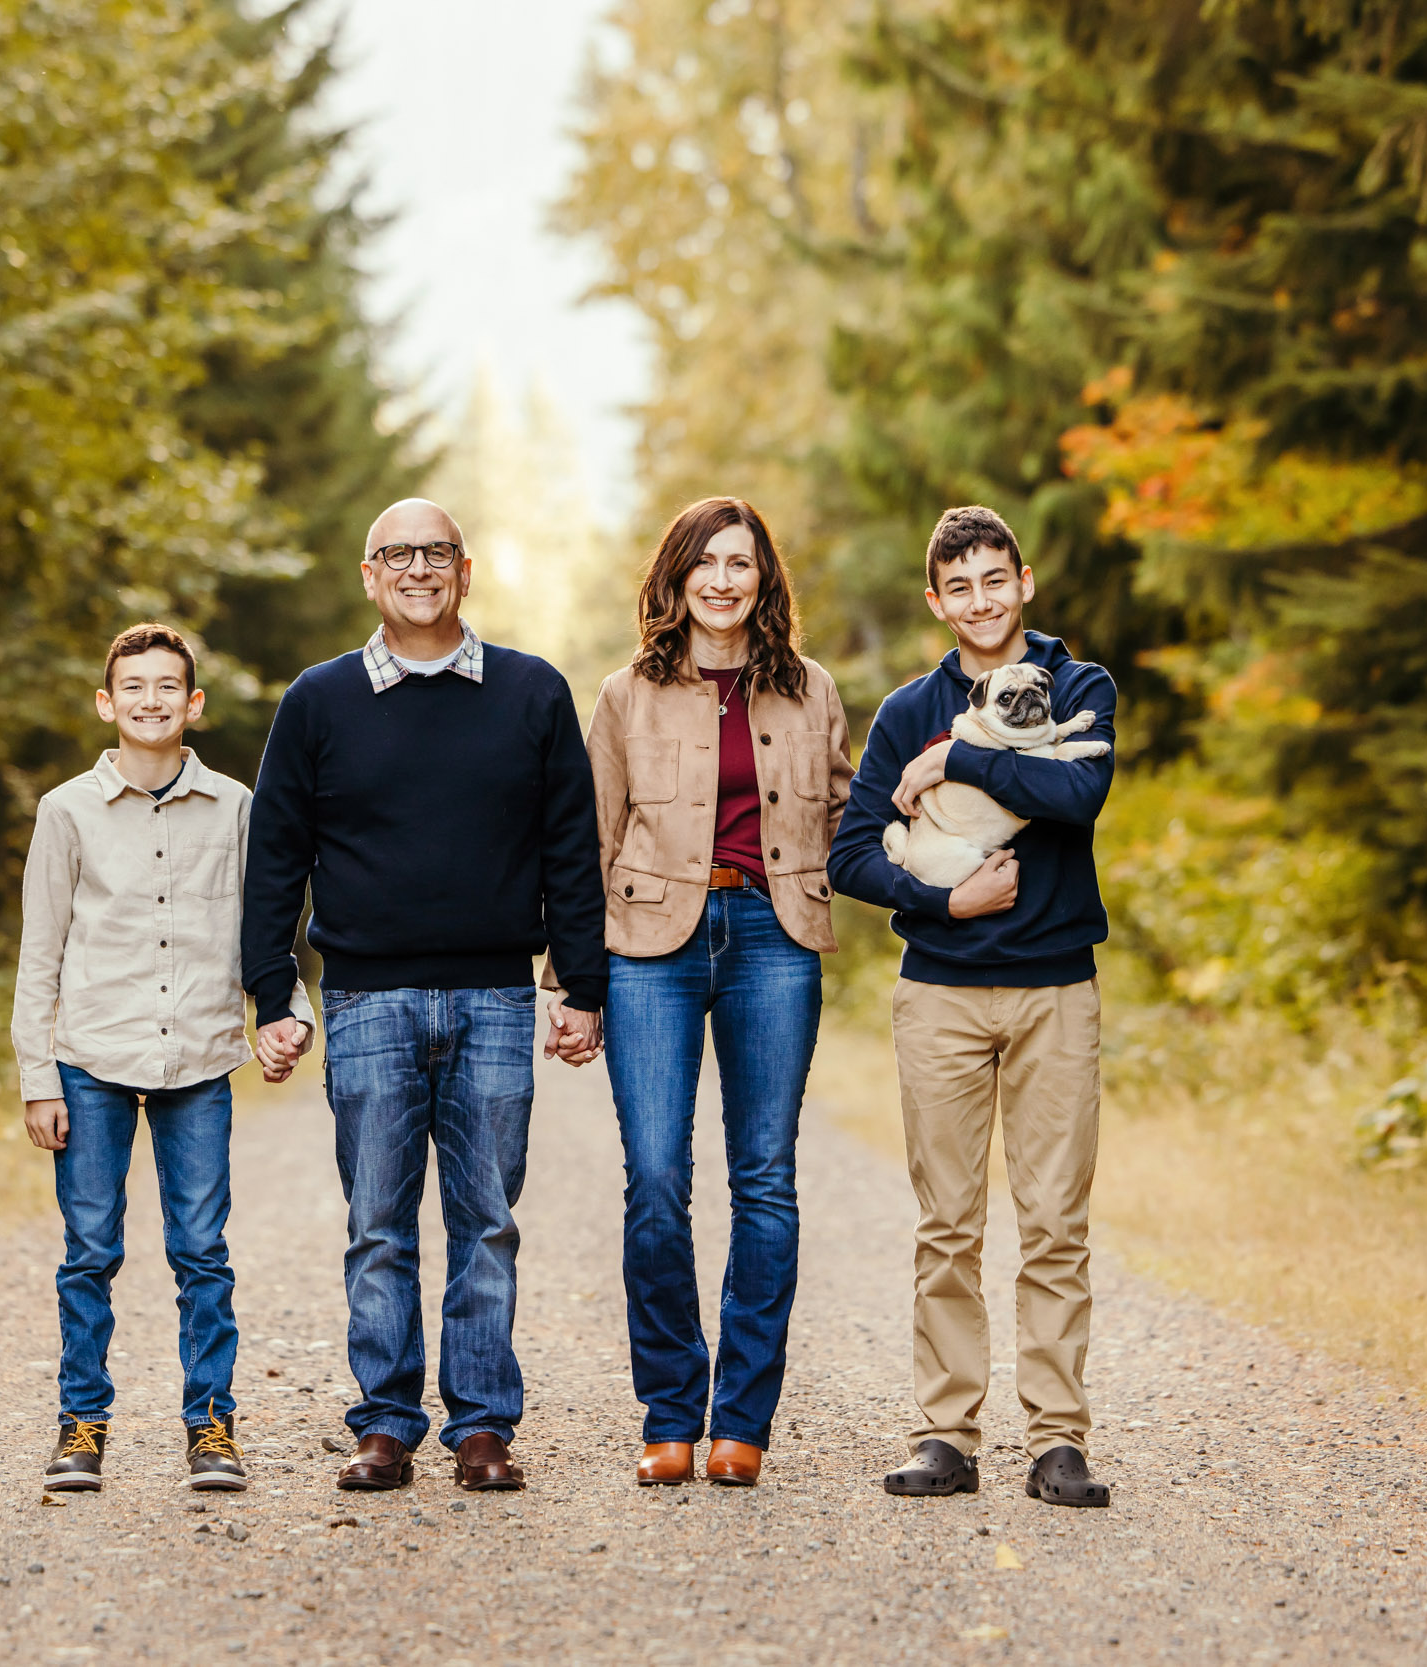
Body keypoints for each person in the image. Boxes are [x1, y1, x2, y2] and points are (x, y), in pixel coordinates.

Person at [242, 498, 607, 1494]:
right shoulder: (318, 700)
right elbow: (275, 858)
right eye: (395, 554)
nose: (416, 568)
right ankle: (386, 1421)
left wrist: (580, 982)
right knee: (377, 1222)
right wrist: (274, 992)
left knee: (486, 1219)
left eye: (435, 552)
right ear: (368, 575)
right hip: (366, 1000)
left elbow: (571, 847)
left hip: (495, 996)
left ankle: (481, 1423)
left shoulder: (531, 691)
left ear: (465, 570)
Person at [827, 506, 1118, 1510]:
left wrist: (957, 759)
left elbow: (1077, 797)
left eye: (996, 579)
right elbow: (851, 853)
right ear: (936, 601)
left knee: (1055, 1222)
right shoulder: (905, 708)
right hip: (940, 993)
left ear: (1023, 582)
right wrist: (943, 900)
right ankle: (946, 1433)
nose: (981, 599)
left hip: (1056, 989)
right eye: (961, 586)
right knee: (946, 1224)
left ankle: (1057, 1439)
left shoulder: (1078, 686)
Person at [571, 496, 852, 1489]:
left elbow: (850, 815)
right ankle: (668, 1411)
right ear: (677, 576)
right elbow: (590, 837)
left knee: (764, 1177)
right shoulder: (625, 694)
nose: (723, 580)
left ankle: (741, 1418)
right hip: (650, 942)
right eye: (707, 562)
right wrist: (574, 981)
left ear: (763, 578)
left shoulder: (812, 688)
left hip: (775, 937)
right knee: (655, 1175)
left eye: (741, 562)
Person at [12, 622, 315, 1493]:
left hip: (199, 1058)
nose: (151, 700)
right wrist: (38, 1076)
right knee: (89, 1251)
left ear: (195, 702)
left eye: (167, 686)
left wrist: (284, 1011)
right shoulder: (66, 810)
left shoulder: (236, 806)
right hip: (91, 1058)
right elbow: (41, 951)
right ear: (107, 703)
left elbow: (267, 928)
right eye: (134, 686)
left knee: (202, 1252)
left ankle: (211, 1427)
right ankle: (81, 1425)